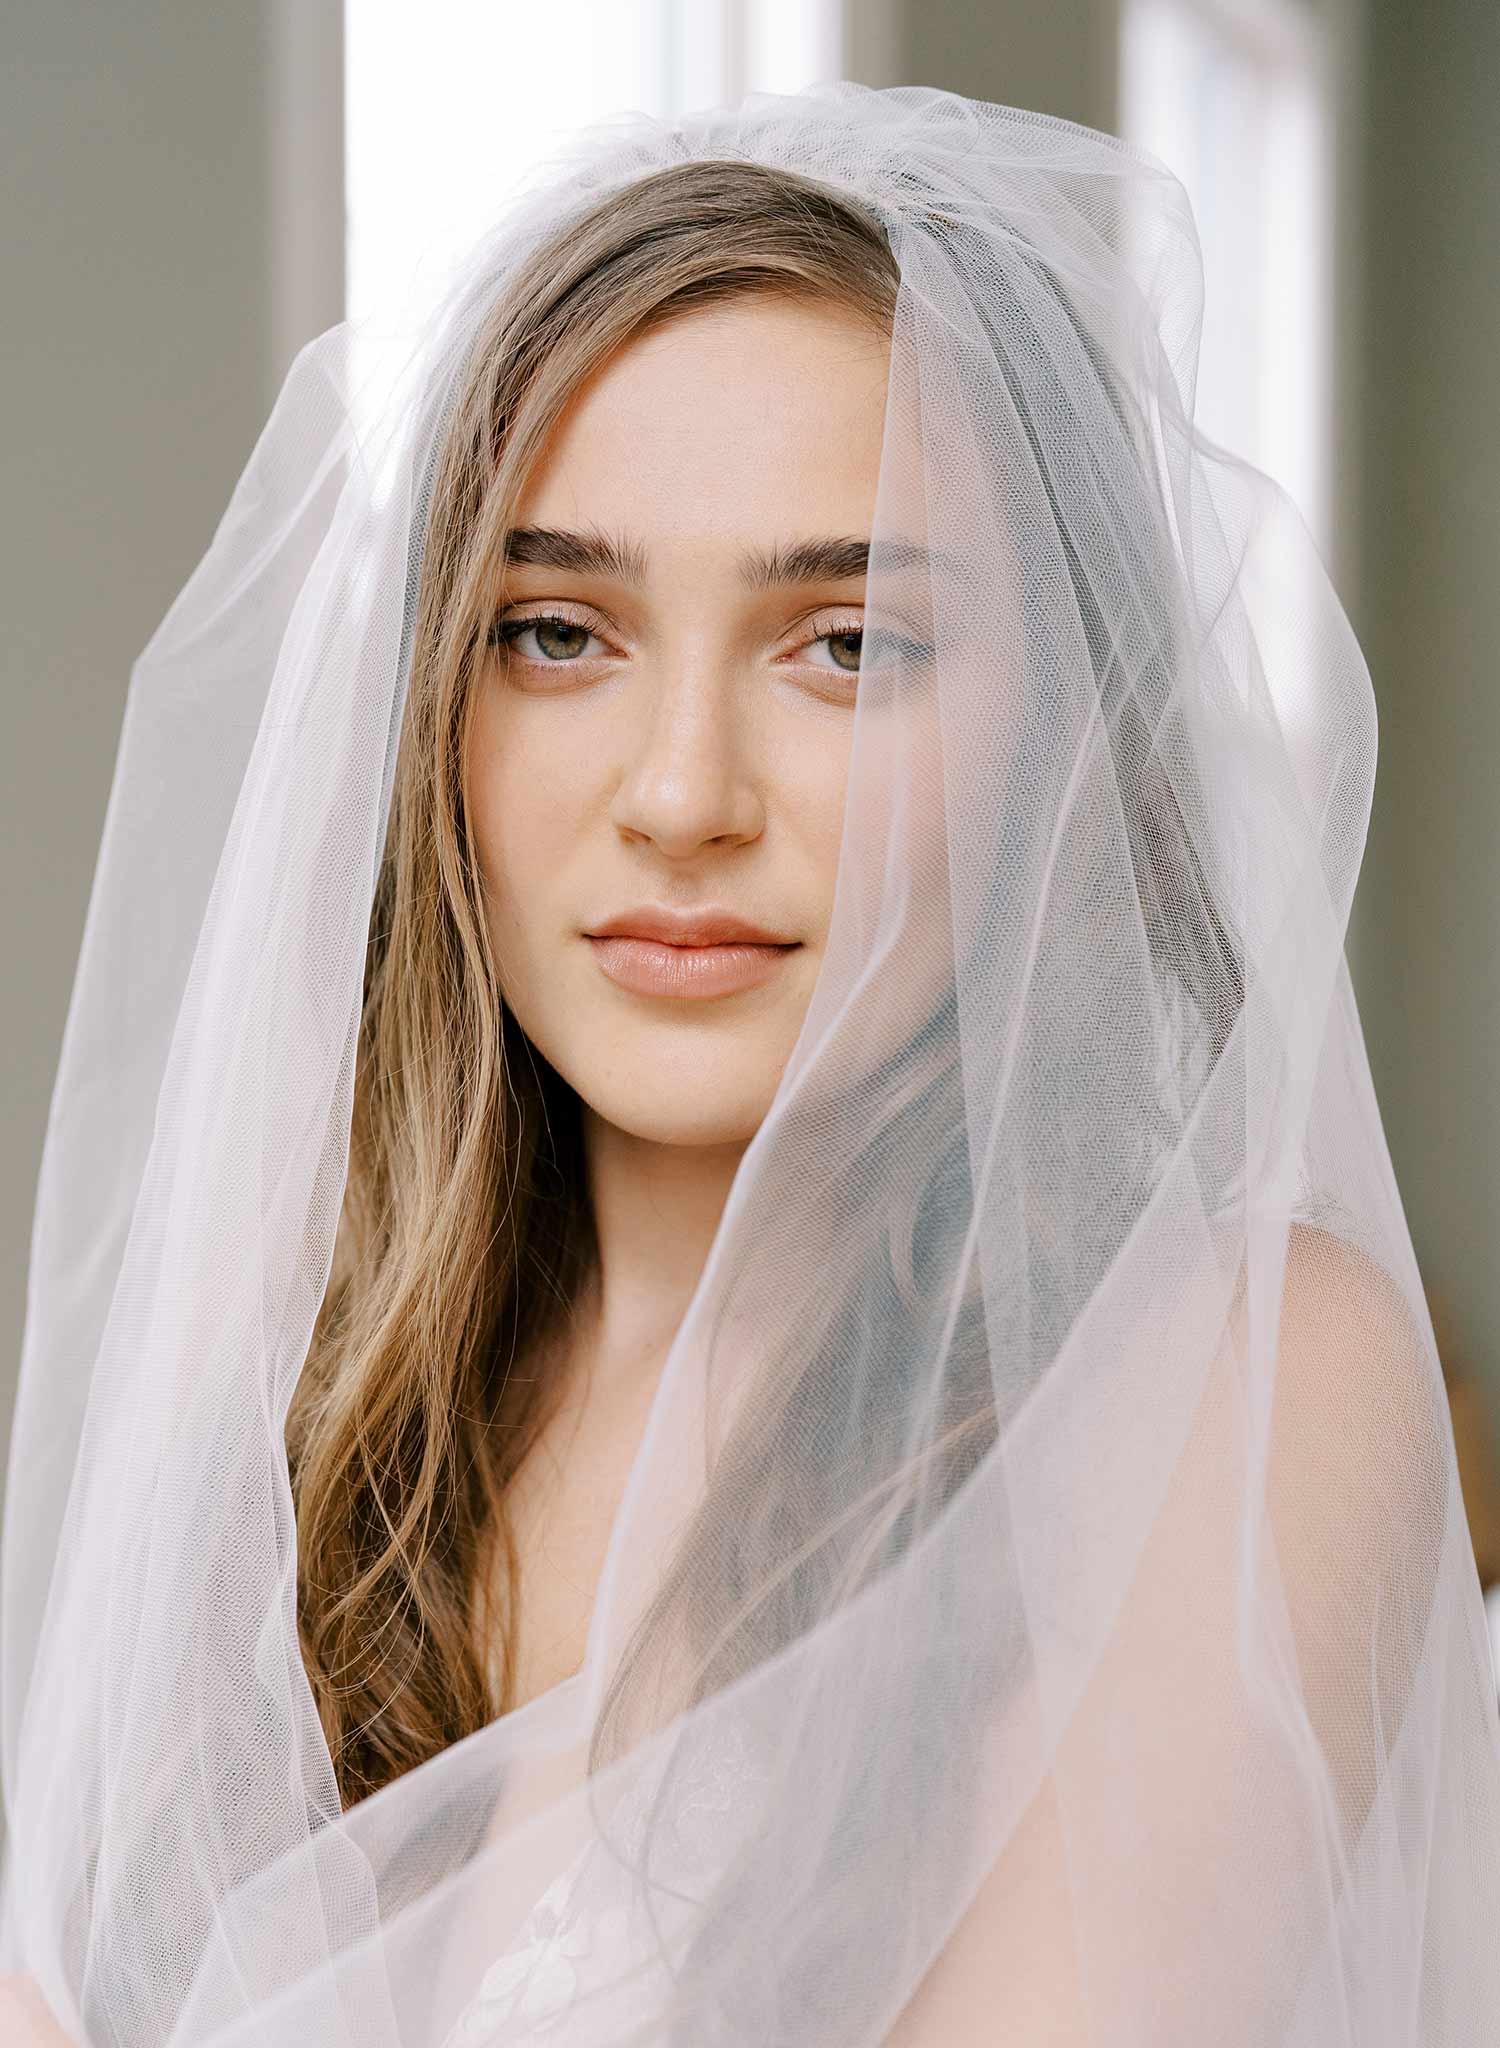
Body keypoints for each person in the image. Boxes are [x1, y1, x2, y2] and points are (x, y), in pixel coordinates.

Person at [3, 81, 1497, 2047]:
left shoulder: (1241, 1385)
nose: (683, 794)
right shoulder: (305, 1388)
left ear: (1061, 728)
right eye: (556, 630)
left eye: (848, 646)